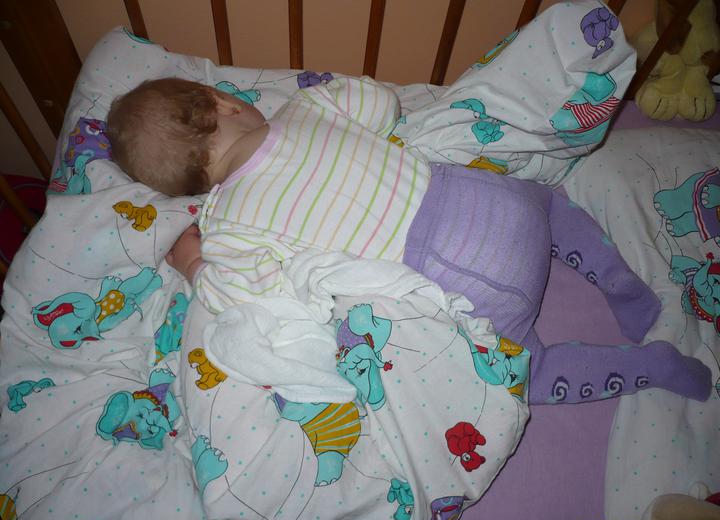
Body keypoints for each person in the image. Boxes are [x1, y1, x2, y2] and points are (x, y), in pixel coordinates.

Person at [106, 74, 711, 406]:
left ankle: (647, 368)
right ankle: (624, 285)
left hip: (459, 284)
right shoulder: (305, 109)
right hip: (489, 202)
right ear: (224, 102)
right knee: (549, 203)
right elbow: (381, 103)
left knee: (527, 371)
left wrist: (193, 262)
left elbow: (238, 298)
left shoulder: (228, 228)